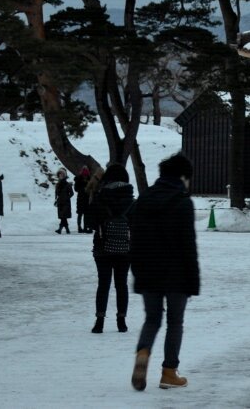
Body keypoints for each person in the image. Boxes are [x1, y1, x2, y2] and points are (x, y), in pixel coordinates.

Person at [129, 153, 199, 391]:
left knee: (152, 319)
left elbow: (135, 238)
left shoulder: (144, 200)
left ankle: (143, 351)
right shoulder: (182, 202)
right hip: (177, 273)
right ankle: (169, 372)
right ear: (182, 176)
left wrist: (137, 271)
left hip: (148, 270)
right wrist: (193, 280)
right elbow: (188, 245)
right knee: (175, 322)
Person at [88, 164, 134, 334]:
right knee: (121, 284)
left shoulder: (101, 196)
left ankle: (99, 321)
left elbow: (90, 222)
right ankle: (121, 321)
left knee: (103, 284)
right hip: (126, 248)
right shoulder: (131, 199)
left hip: (102, 247)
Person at [54, 169, 74, 235]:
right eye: (59, 174)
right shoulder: (58, 184)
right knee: (63, 217)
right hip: (60, 202)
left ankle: (60, 229)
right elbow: (56, 194)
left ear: (64, 175)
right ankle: (67, 230)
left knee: (63, 216)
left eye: (62, 174)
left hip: (66, 203)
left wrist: (67, 198)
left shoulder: (67, 184)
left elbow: (72, 193)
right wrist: (56, 200)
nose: (60, 176)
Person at [74, 166, 92, 233]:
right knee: (80, 214)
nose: (85, 177)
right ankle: (79, 227)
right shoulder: (78, 179)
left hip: (86, 199)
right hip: (81, 199)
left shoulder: (89, 179)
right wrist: (83, 190)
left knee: (85, 214)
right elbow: (76, 189)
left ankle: (85, 227)